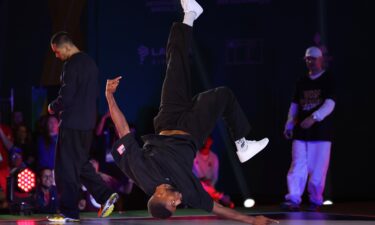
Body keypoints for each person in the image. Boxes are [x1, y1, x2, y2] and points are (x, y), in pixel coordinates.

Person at [105, 1, 277, 224]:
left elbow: (123, 130)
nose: (178, 202)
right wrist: (253, 221)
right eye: (176, 207)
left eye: (171, 203)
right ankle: (242, 145)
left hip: (167, 120)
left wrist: (109, 96)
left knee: (175, 63)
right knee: (222, 95)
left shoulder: (141, 174)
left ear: (158, 195)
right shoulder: (187, 190)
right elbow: (217, 209)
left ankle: (190, 14)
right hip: (191, 130)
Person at [46, 31, 118, 222]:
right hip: (87, 124)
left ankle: (68, 212)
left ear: (65, 46)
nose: (56, 56)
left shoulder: (71, 64)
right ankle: (105, 195)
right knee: (79, 165)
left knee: (65, 169)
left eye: (56, 51)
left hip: (71, 124)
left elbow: (67, 97)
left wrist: (52, 107)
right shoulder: (90, 63)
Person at [281, 46, 335, 212]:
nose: (309, 61)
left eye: (312, 58)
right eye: (307, 59)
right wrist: (289, 125)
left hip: (321, 133)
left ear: (320, 60)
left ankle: (316, 199)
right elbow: (295, 104)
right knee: (297, 165)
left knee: (318, 168)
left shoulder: (328, 79)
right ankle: (294, 198)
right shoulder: (301, 81)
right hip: (301, 132)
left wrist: (314, 118)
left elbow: (330, 103)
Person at [193, 137, 234, 208]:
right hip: (196, 185)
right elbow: (192, 172)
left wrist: (210, 183)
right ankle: (220, 197)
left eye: (208, 140)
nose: (206, 142)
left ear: (211, 141)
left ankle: (214, 197)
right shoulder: (194, 155)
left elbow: (215, 176)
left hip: (209, 186)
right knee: (200, 185)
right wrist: (200, 180)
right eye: (204, 139)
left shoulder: (214, 157)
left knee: (205, 188)